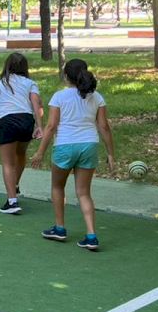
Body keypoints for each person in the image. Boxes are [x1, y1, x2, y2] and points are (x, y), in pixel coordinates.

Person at [30, 58, 116, 251]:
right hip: (89, 145)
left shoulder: (59, 97)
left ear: (66, 76)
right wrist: (111, 154)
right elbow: (104, 127)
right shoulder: (97, 97)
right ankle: (91, 235)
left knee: (57, 186)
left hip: (65, 146)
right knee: (84, 193)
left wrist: (40, 152)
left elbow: (51, 126)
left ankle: (59, 228)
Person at [0, 53, 43, 215]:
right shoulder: (30, 83)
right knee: (20, 154)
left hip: (7, 122)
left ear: (7, 65)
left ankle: (12, 202)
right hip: (26, 120)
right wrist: (39, 126)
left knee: (8, 163)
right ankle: (14, 185)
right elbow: (36, 104)